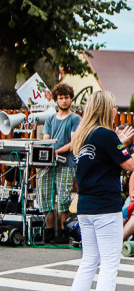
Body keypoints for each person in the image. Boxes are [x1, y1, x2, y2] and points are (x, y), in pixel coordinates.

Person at [69, 91, 134, 291]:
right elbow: (131, 163)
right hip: (105, 206)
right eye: (114, 106)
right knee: (109, 261)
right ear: (106, 109)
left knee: (89, 259)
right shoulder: (105, 135)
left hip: (85, 206)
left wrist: (121, 143)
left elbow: (106, 159)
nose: (117, 110)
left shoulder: (84, 135)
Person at [39, 83, 80, 244]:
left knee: (63, 199)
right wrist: (48, 151)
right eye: (61, 98)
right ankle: (49, 232)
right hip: (48, 164)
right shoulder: (50, 119)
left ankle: (63, 232)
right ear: (56, 100)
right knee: (45, 196)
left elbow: (74, 141)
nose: (63, 101)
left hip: (66, 163)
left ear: (71, 99)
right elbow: (46, 139)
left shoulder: (75, 118)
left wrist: (56, 151)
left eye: (66, 98)